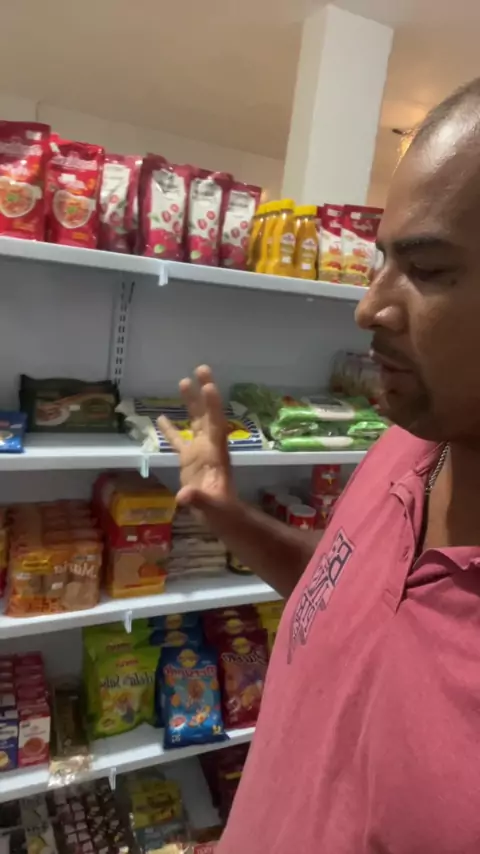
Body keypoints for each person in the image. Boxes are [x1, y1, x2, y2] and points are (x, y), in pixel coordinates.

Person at [159, 77, 480, 853]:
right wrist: (229, 515)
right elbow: (350, 590)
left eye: (428, 269)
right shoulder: (411, 443)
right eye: (381, 260)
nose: (369, 308)